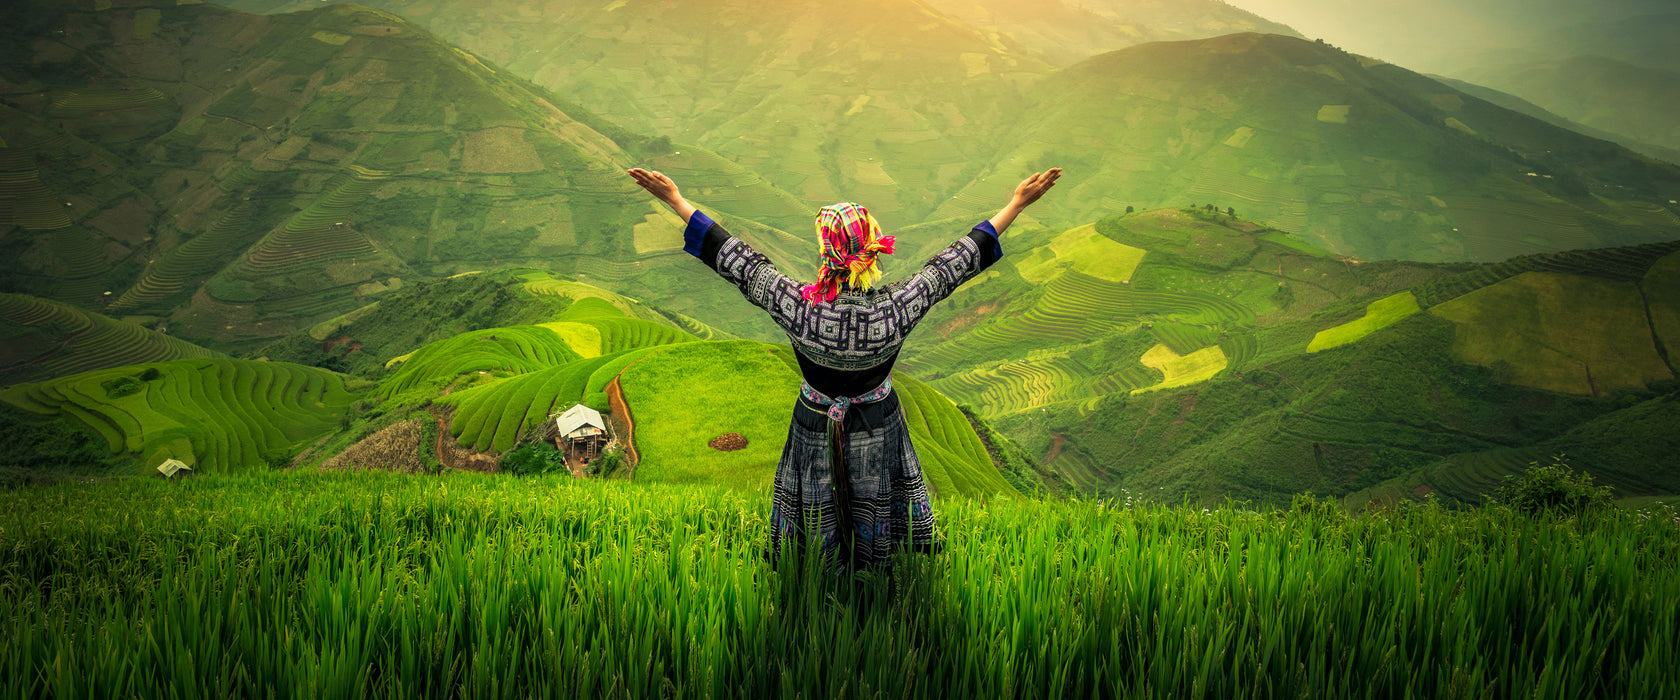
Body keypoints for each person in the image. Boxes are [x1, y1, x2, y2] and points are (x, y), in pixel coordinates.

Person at [627, 166, 1062, 571]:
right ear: (871, 249)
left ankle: (815, 567)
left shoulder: (800, 308)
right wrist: (1017, 204)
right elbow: (952, 264)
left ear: (825, 250)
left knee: (814, 495)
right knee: (877, 494)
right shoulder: (897, 308)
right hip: (878, 422)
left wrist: (676, 200)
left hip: (815, 422)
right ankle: (876, 568)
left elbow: (740, 262)